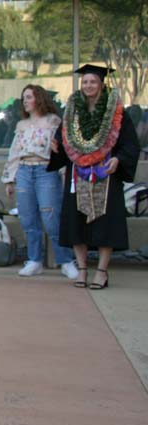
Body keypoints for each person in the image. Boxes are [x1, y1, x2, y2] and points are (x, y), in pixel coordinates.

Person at [48, 64, 141, 290]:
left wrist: (118, 159)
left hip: (107, 175)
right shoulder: (72, 111)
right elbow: (63, 138)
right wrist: (55, 147)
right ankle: (81, 269)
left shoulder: (116, 111)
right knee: (76, 221)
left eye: (93, 82)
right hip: (77, 174)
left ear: (101, 85)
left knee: (105, 223)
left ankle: (101, 271)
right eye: (85, 82)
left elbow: (129, 143)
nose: (88, 85)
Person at [1, 85, 79, 280]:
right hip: (25, 170)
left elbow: (63, 150)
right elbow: (14, 153)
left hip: (46, 170)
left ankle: (66, 260)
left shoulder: (53, 121)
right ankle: (34, 260)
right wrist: (9, 179)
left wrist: (62, 172)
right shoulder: (21, 125)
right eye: (23, 97)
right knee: (28, 217)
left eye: (28, 97)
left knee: (51, 216)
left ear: (39, 99)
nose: (25, 101)